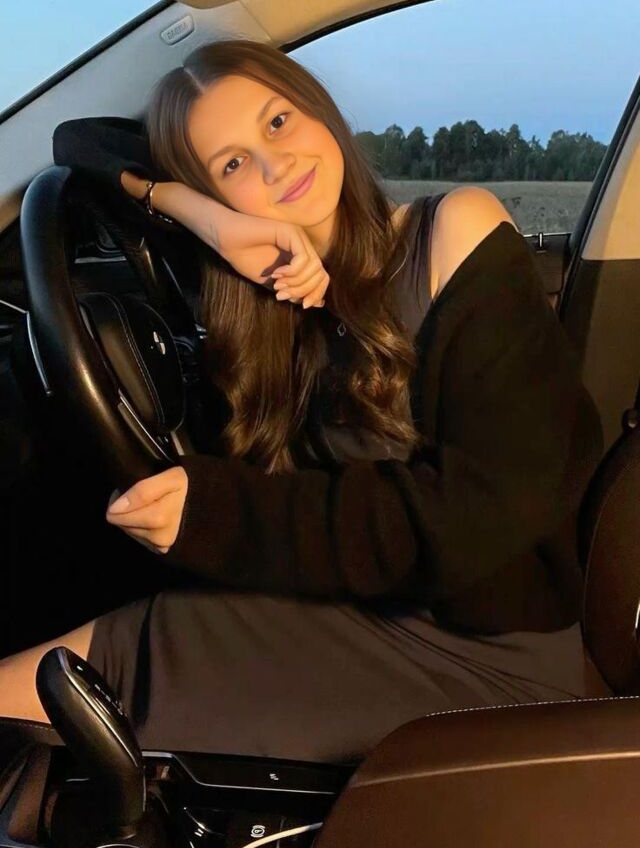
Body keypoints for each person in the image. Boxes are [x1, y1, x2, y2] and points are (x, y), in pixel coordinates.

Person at [0, 40, 605, 764]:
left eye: (279, 121)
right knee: (65, 665)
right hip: (350, 604)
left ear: (319, 110)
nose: (273, 165)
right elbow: (80, 144)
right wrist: (207, 217)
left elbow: (481, 513)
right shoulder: (265, 289)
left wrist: (221, 515)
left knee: (83, 674)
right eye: (232, 164)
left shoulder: (453, 232)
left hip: (484, 652)